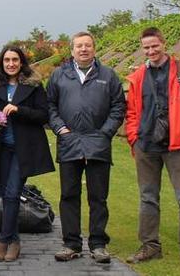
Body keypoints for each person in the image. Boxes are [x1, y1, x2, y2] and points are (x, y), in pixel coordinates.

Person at [124, 27, 180, 270]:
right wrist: (133, 138)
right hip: (147, 147)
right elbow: (132, 112)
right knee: (147, 198)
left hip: (179, 144)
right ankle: (150, 246)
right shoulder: (139, 76)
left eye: (154, 45)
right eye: (146, 47)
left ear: (163, 43)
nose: (151, 51)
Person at [47, 32, 126, 264]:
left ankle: (98, 244)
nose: (83, 49)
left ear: (94, 49)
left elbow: (118, 107)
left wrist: (105, 133)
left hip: (98, 144)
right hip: (69, 142)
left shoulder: (108, 76)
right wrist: (60, 128)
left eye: (88, 45)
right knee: (69, 195)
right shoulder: (59, 75)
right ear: (71, 50)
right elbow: (50, 105)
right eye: (79, 46)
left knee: (98, 197)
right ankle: (71, 244)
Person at [0, 46, 55, 262]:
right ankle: (15, 241)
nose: (11, 64)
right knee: (6, 196)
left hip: (24, 150)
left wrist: (19, 110)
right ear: (1, 64)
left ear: (21, 62)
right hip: (1, 149)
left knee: (12, 193)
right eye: (7, 60)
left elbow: (43, 115)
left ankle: (3, 240)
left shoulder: (33, 86)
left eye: (15, 60)